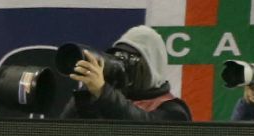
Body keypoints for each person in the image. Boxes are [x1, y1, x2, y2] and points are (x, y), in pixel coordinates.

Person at [64, 26, 192, 121]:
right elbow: (63, 134)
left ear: (151, 66)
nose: (123, 65)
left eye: (129, 58)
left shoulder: (174, 111)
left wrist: (103, 91)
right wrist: (87, 91)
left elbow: (144, 128)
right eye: (117, 57)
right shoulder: (105, 100)